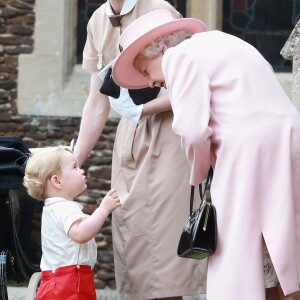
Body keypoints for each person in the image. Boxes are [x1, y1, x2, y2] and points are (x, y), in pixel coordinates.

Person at [112, 9, 300, 300]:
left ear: (161, 48)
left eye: (146, 70)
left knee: (240, 249)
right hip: (289, 141)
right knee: (282, 241)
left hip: (246, 154)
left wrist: (199, 172)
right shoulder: (228, 41)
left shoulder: (178, 56)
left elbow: (192, 129)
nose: (150, 83)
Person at [74, 1, 207, 299]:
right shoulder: (97, 20)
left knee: (166, 254)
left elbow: (190, 83)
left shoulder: (160, 10)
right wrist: (72, 161)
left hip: (170, 136)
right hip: (129, 144)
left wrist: (143, 108)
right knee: (134, 249)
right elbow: (98, 103)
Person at [23, 145, 121, 300]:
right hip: (66, 285)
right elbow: (80, 233)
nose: (81, 170)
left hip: (70, 281)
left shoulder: (55, 207)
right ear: (57, 181)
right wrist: (103, 209)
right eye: (75, 167)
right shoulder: (63, 208)